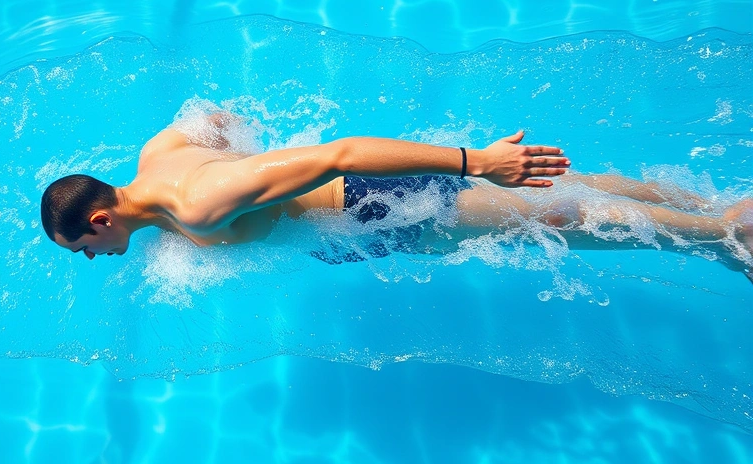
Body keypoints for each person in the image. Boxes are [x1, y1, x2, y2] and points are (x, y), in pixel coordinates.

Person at [40, 111, 752, 280]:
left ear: (99, 218)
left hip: (374, 203)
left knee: (559, 216)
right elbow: (215, 119)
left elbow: (336, 156)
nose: (95, 257)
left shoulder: (198, 205)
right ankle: (713, 209)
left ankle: (726, 231)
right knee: (572, 195)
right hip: (364, 211)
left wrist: (480, 163)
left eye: (86, 246)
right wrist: (261, 179)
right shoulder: (157, 156)